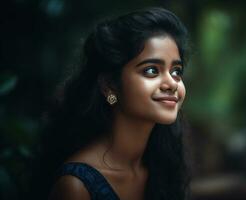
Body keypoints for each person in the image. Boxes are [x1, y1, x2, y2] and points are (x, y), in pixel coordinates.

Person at [30, 7, 191, 200]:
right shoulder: (77, 186)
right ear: (109, 86)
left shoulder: (162, 166)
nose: (172, 83)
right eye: (151, 71)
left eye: (176, 72)